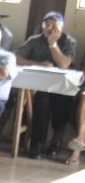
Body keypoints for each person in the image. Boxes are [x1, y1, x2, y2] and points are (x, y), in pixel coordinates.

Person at [13, 11, 77, 157]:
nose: (50, 28)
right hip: (40, 86)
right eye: (46, 24)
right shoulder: (34, 40)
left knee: (63, 105)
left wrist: (52, 44)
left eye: (54, 25)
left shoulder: (69, 41)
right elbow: (15, 58)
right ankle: (37, 144)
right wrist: (37, 63)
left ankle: (56, 142)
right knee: (41, 102)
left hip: (62, 86)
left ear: (62, 27)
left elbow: (64, 64)